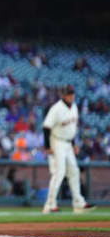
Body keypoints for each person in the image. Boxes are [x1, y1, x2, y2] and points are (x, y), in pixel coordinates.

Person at [42, 85, 96, 214]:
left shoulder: (74, 107)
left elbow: (71, 128)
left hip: (68, 143)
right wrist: (48, 147)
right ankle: (50, 205)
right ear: (63, 95)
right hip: (57, 142)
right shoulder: (56, 108)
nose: (71, 96)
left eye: (72, 94)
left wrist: (73, 144)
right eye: (68, 94)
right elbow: (46, 127)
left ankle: (78, 203)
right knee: (59, 172)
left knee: (74, 171)